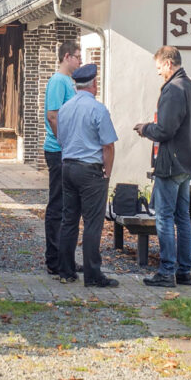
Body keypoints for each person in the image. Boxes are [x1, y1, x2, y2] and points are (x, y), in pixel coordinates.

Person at [134, 46, 191, 288]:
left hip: (171, 163)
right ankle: (184, 271)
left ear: (169, 63)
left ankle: (166, 271)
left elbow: (165, 129)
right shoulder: (190, 86)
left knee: (163, 217)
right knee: (183, 217)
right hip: (187, 161)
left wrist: (144, 129)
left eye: (159, 67)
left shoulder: (173, 89)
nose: (159, 72)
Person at [56, 64, 119, 288]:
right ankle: (93, 274)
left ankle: (65, 269)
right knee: (93, 222)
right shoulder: (98, 109)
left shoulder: (65, 108)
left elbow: (60, 139)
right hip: (91, 170)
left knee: (69, 219)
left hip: (68, 166)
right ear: (93, 84)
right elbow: (108, 146)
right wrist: (107, 173)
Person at [43, 40, 82, 276]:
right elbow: (53, 116)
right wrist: (65, 143)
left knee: (69, 206)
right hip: (58, 150)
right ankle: (54, 259)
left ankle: (65, 258)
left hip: (67, 151)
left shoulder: (70, 81)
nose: (80, 61)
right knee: (58, 205)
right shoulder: (58, 81)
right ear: (67, 57)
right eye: (78, 57)